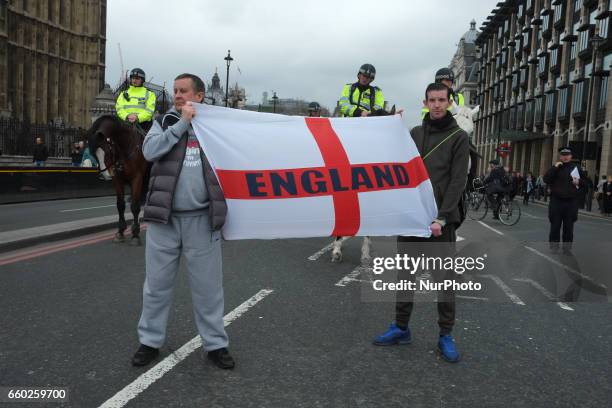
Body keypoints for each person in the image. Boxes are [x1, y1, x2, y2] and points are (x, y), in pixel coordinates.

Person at [133, 73, 234, 370]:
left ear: (199, 96)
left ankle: (216, 345)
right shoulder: (164, 123)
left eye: (184, 90)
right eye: (175, 90)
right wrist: (182, 124)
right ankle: (149, 342)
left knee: (208, 289)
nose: (177, 95)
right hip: (164, 220)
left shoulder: (215, 128)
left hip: (201, 221)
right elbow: (149, 151)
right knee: (156, 287)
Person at [373, 82, 469, 363]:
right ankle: (401, 328)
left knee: (444, 282)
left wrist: (443, 215)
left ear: (449, 102)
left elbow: (457, 181)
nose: (437, 105)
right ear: (425, 103)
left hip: (441, 222)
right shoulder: (414, 133)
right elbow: (394, 161)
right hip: (412, 219)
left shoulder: (459, 137)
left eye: (442, 100)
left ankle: (445, 336)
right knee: (405, 279)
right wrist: (392, 125)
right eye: (432, 100)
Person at [543, 146, 585, 247]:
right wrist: (555, 167)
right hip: (556, 202)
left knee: (569, 228)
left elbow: (588, 184)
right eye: (563, 155)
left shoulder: (576, 168)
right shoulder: (556, 167)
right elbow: (546, 179)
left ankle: (567, 249)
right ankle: (553, 248)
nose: (565, 157)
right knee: (555, 227)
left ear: (571, 156)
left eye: (567, 155)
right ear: (560, 156)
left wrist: (579, 181)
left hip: (571, 203)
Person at [115, 68, 157, 134]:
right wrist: (126, 116)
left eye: (137, 78)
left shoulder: (150, 94)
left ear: (142, 80)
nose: (134, 80)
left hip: (143, 126)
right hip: (125, 123)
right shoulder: (123, 93)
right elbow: (119, 108)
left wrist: (137, 117)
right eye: (133, 78)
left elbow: (149, 110)